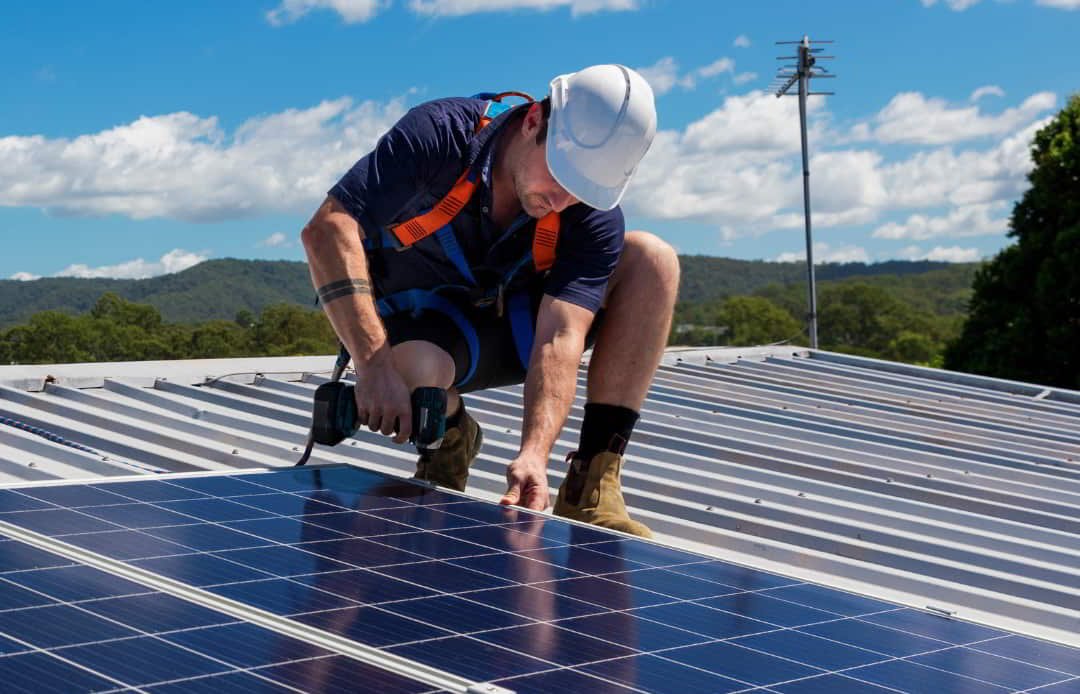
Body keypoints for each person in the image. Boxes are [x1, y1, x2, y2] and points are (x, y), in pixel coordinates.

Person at [301, 64, 679, 538]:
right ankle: (452, 435)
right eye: (559, 177)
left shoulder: (588, 214)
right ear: (533, 122)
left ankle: (592, 482)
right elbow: (327, 228)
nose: (561, 201)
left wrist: (534, 454)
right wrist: (372, 366)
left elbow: (560, 336)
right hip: (424, 323)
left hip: (516, 328)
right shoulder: (439, 135)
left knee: (652, 259)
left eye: (580, 192)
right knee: (415, 376)